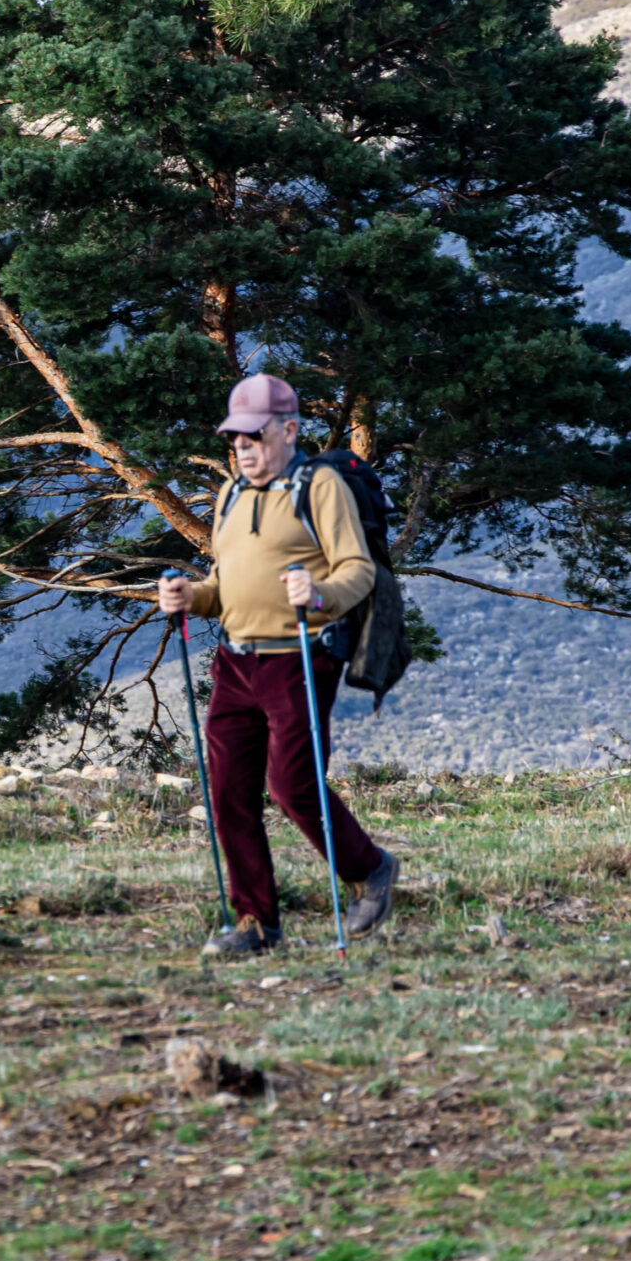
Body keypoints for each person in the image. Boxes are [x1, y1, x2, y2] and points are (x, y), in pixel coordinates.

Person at [158, 373, 400, 956]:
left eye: (254, 436)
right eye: (234, 438)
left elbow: (358, 570)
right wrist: (191, 596)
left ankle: (369, 868)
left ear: (288, 431)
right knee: (228, 794)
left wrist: (319, 595)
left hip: (301, 657)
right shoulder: (230, 494)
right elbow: (223, 585)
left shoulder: (320, 486)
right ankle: (255, 923)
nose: (242, 448)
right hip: (234, 661)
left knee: (291, 785)